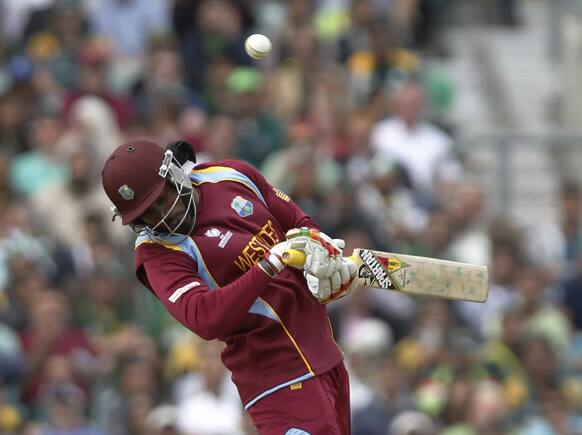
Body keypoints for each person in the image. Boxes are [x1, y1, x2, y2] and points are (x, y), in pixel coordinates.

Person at [101, 139, 359, 434]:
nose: (163, 215)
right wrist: (268, 265)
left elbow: (297, 221)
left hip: (325, 354)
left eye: (162, 198)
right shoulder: (155, 253)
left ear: (173, 172)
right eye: (147, 213)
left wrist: (321, 254)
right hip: (276, 379)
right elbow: (204, 317)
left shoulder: (230, 175)